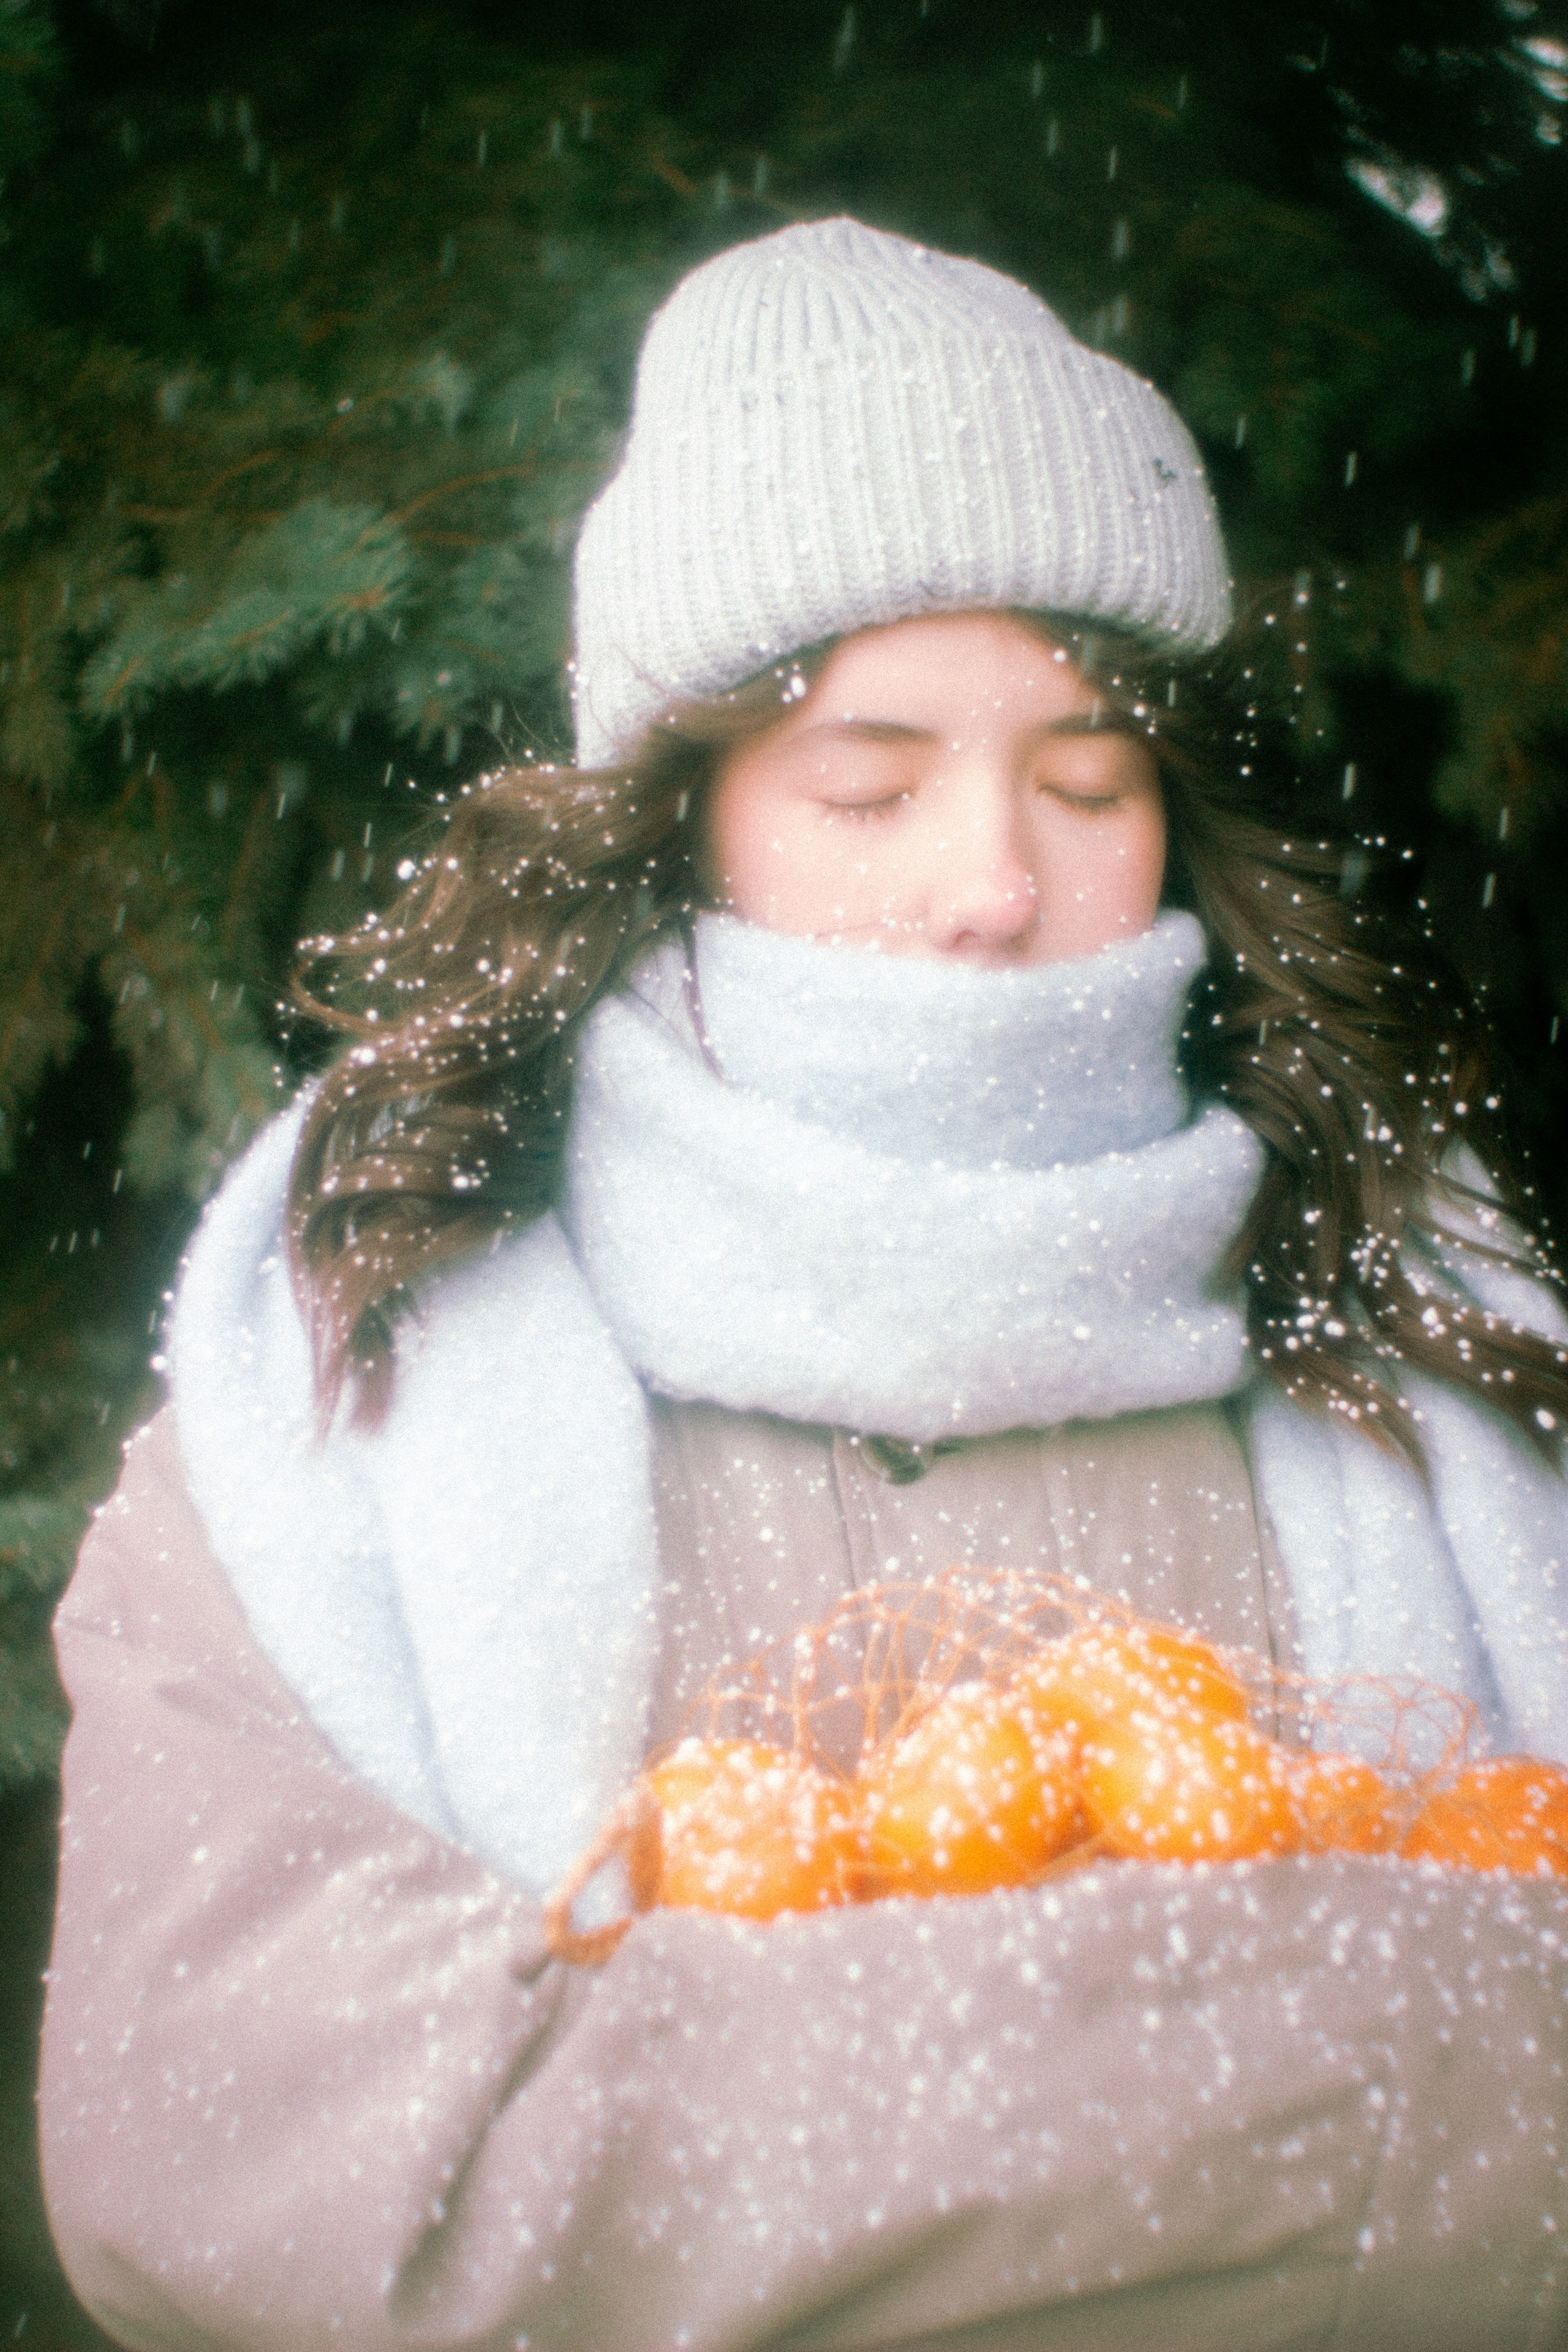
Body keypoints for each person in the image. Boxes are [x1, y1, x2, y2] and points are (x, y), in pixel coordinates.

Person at [39, 217, 1568, 2351]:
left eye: (1089, 777)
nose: (994, 886)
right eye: (871, 784)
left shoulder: (1429, 1308)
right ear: (688, 821)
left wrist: (736, 2118)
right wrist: (1400, 2019)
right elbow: (258, 2166)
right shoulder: (353, 1353)